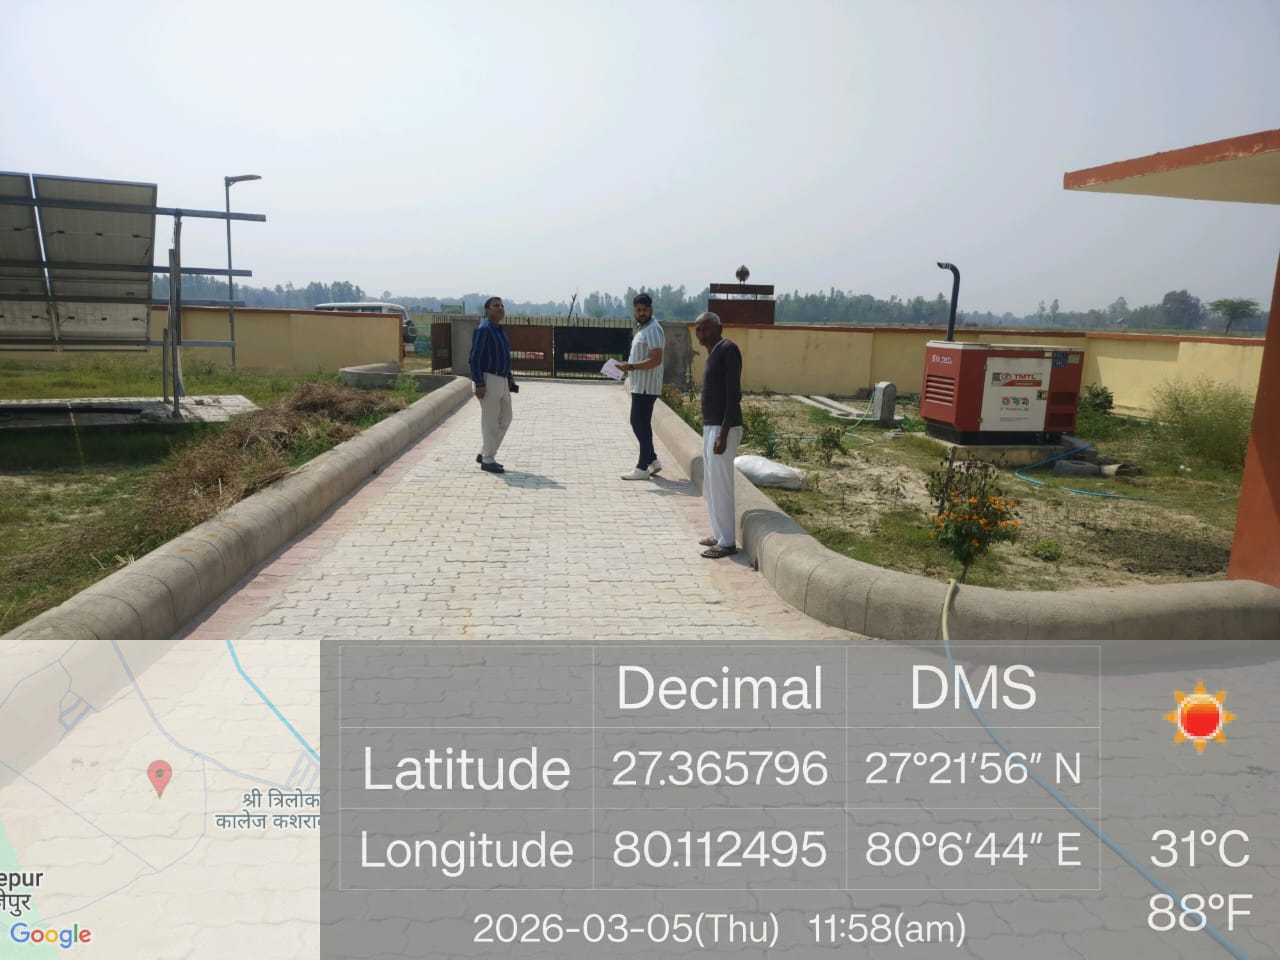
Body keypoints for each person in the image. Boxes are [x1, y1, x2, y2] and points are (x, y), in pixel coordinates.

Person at [694, 311, 743, 558]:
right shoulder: (714, 353)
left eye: (705, 328)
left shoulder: (727, 350)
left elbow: (734, 394)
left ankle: (727, 542)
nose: (701, 333)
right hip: (711, 425)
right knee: (712, 484)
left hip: (724, 427)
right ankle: (719, 533)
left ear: (719, 328)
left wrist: (723, 432)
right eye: (698, 329)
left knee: (721, 485)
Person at [617, 292, 665, 480]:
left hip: (647, 386)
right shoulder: (643, 329)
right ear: (634, 311)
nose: (641, 313)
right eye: (638, 310)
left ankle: (642, 467)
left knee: (637, 423)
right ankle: (652, 460)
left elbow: (656, 359)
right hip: (640, 385)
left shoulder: (652, 329)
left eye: (645, 310)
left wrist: (631, 366)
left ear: (651, 309)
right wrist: (628, 366)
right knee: (642, 424)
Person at [469, 296, 514, 474]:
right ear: (487, 310)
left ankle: (484, 452)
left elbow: (504, 357)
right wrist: (479, 382)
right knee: (490, 422)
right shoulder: (484, 329)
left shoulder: (500, 331)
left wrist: (509, 378)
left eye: (502, 305)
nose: (500, 308)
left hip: (502, 379)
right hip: (489, 380)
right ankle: (488, 459)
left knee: (506, 418)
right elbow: (474, 358)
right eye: (496, 305)